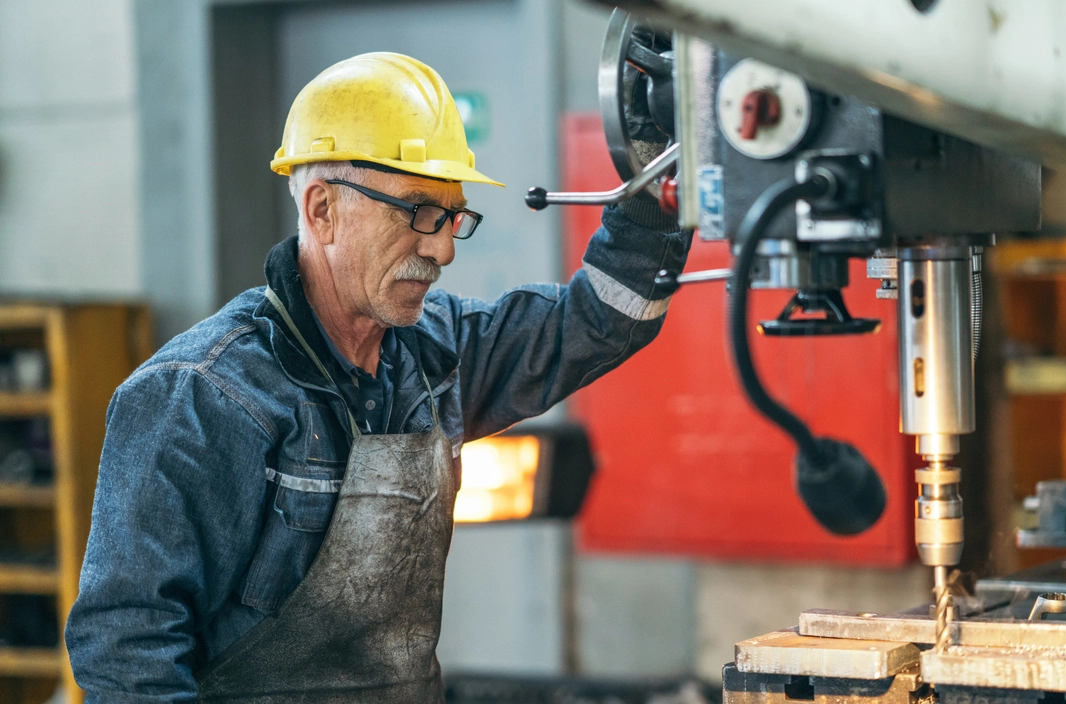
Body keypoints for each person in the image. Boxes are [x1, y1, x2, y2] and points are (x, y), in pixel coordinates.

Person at [64, 52, 687, 702]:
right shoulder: (200, 395)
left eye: (453, 217)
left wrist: (661, 181)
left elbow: (599, 321)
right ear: (322, 208)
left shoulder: (437, 355)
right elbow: (126, 650)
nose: (442, 249)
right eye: (418, 210)